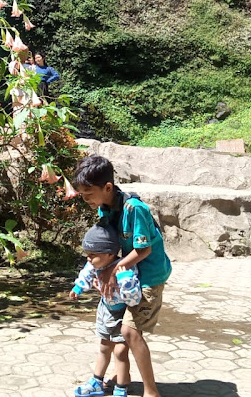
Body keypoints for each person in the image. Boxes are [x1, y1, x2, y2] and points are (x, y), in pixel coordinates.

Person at [73, 155, 172, 397]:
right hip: (128, 274)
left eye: (88, 194)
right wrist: (101, 270)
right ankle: (118, 381)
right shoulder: (105, 207)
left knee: (129, 332)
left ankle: (151, 392)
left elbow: (144, 249)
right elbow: (109, 246)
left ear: (107, 187)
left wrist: (113, 270)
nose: (86, 200)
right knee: (113, 335)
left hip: (149, 276)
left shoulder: (134, 209)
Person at [69, 223, 142, 397]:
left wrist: (123, 279)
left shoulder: (126, 269)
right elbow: (87, 274)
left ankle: (121, 386)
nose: (89, 259)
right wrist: (78, 288)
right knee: (103, 347)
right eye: (87, 255)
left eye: (92, 255)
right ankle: (96, 381)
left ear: (109, 254)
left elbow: (134, 298)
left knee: (120, 351)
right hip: (105, 309)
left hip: (121, 313)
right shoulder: (95, 264)